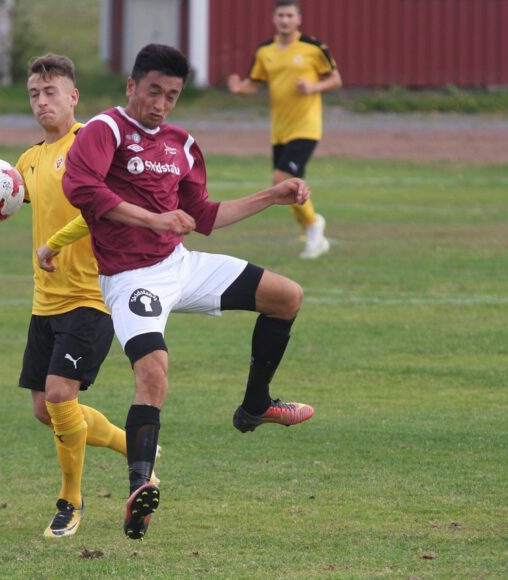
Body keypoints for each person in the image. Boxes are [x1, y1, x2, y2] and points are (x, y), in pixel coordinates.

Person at [45, 43, 315, 540]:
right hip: (130, 278)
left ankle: (255, 405)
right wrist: (153, 219)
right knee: (153, 372)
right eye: (153, 91)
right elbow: (82, 189)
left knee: (287, 296)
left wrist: (273, 196)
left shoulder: (182, 144)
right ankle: (139, 489)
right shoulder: (106, 130)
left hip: (181, 265)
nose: (161, 104)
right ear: (131, 86)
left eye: (171, 95)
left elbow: (203, 215)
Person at [0, 53, 157, 539]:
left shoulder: (91, 145)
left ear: (73, 96)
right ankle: (136, 449)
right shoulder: (30, 159)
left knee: (59, 396)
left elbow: (104, 210)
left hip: (92, 295)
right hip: (46, 302)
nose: (41, 101)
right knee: (45, 409)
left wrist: (54, 243)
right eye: (34, 94)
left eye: (51, 92)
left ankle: (70, 502)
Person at [227, 0, 342, 259]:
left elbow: (335, 80)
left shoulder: (314, 48)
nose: (285, 20)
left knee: (281, 180)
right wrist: (238, 89)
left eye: (290, 15)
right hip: (279, 130)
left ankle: (313, 225)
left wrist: (314, 88)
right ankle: (311, 229)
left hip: (306, 126)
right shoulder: (265, 51)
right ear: (274, 18)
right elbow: (253, 84)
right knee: (286, 185)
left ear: (298, 19)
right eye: (281, 15)